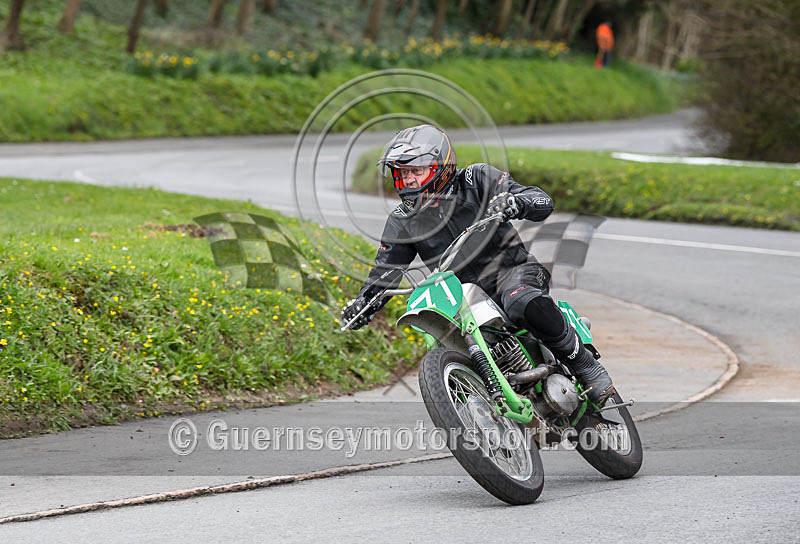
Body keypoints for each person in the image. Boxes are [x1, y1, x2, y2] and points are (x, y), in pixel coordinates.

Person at [341, 125, 614, 405]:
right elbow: (386, 269)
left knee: (521, 300)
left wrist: (516, 203)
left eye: (416, 171)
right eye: (402, 174)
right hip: (464, 297)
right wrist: (363, 304)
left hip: (513, 271)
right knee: (443, 338)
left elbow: (542, 199)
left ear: (440, 167)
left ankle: (584, 364)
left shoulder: (476, 179)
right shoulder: (402, 220)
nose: (409, 180)